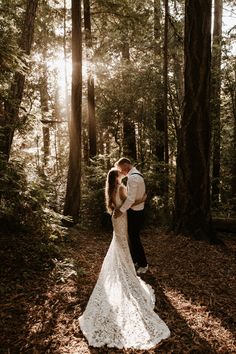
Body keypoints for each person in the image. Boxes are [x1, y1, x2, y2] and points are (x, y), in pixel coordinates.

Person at [79, 168, 170, 350]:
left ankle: (124, 266)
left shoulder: (111, 189)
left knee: (120, 244)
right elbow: (129, 201)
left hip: (116, 218)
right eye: (119, 174)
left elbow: (116, 206)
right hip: (121, 218)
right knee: (122, 244)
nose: (122, 175)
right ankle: (125, 269)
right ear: (117, 177)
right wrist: (143, 199)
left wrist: (123, 208)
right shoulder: (120, 188)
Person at [114, 157, 148, 274]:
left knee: (135, 238)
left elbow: (130, 199)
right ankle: (136, 261)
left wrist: (121, 210)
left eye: (121, 168)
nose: (121, 170)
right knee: (133, 238)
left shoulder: (133, 178)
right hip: (139, 210)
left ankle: (143, 264)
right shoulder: (138, 175)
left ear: (127, 164)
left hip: (135, 212)